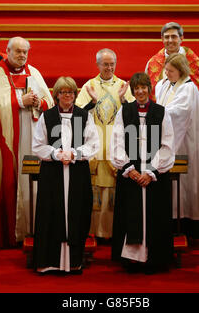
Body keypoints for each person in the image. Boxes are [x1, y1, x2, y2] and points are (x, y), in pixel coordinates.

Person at [0, 37, 54, 248]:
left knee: (35, 180)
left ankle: (36, 227)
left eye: (25, 52)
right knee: (17, 178)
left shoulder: (34, 73)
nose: (21, 55)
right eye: (17, 51)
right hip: (10, 141)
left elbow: (51, 102)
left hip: (33, 139)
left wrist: (39, 102)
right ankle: (15, 231)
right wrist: (20, 102)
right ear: (7, 51)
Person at [32, 76, 99, 274]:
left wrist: (75, 154)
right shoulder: (48, 116)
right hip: (53, 173)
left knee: (76, 213)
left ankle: (74, 262)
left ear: (75, 95)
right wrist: (55, 154)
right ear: (57, 95)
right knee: (51, 214)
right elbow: (38, 144)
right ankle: (50, 262)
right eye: (63, 92)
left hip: (77, 172)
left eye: (70, 92)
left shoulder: (84, 116)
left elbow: (93, 143)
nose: (67, 96)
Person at [110, 72, 175, 274]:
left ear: (149, 88)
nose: (140, 91)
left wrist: (151, 172)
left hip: (154, 176)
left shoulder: (161, 112)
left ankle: (155, 258)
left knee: (155, 215)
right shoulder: (125, 111)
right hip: (131, 174)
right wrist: (129, 169)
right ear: (132, 91)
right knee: (131, 213)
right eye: (136, 88)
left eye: (143, 87)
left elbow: (167, 144)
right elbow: (117, 141)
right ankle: (132, 258)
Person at [155, 53, 199, 239]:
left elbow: (179, 112)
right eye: (166, 70)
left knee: (185, 185)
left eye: (171, 71)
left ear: (181, 70)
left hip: (185, 142)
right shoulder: (164, 85)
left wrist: (156, 113)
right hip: (168, 140)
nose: (167, 73)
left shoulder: (189, 88)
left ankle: (187, 226)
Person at [75, 48, 134, 241]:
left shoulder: (124, 86)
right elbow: (77, 114)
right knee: (95, 190)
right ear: (97, 64)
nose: (108, 68)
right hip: (95, 143)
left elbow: (134, 116)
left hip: (117, 143)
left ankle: (113, 231)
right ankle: (95, 232)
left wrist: (125, 100)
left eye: (112, 64)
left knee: (113, 191)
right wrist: (92, 102)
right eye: (105, 64)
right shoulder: (88, 86)